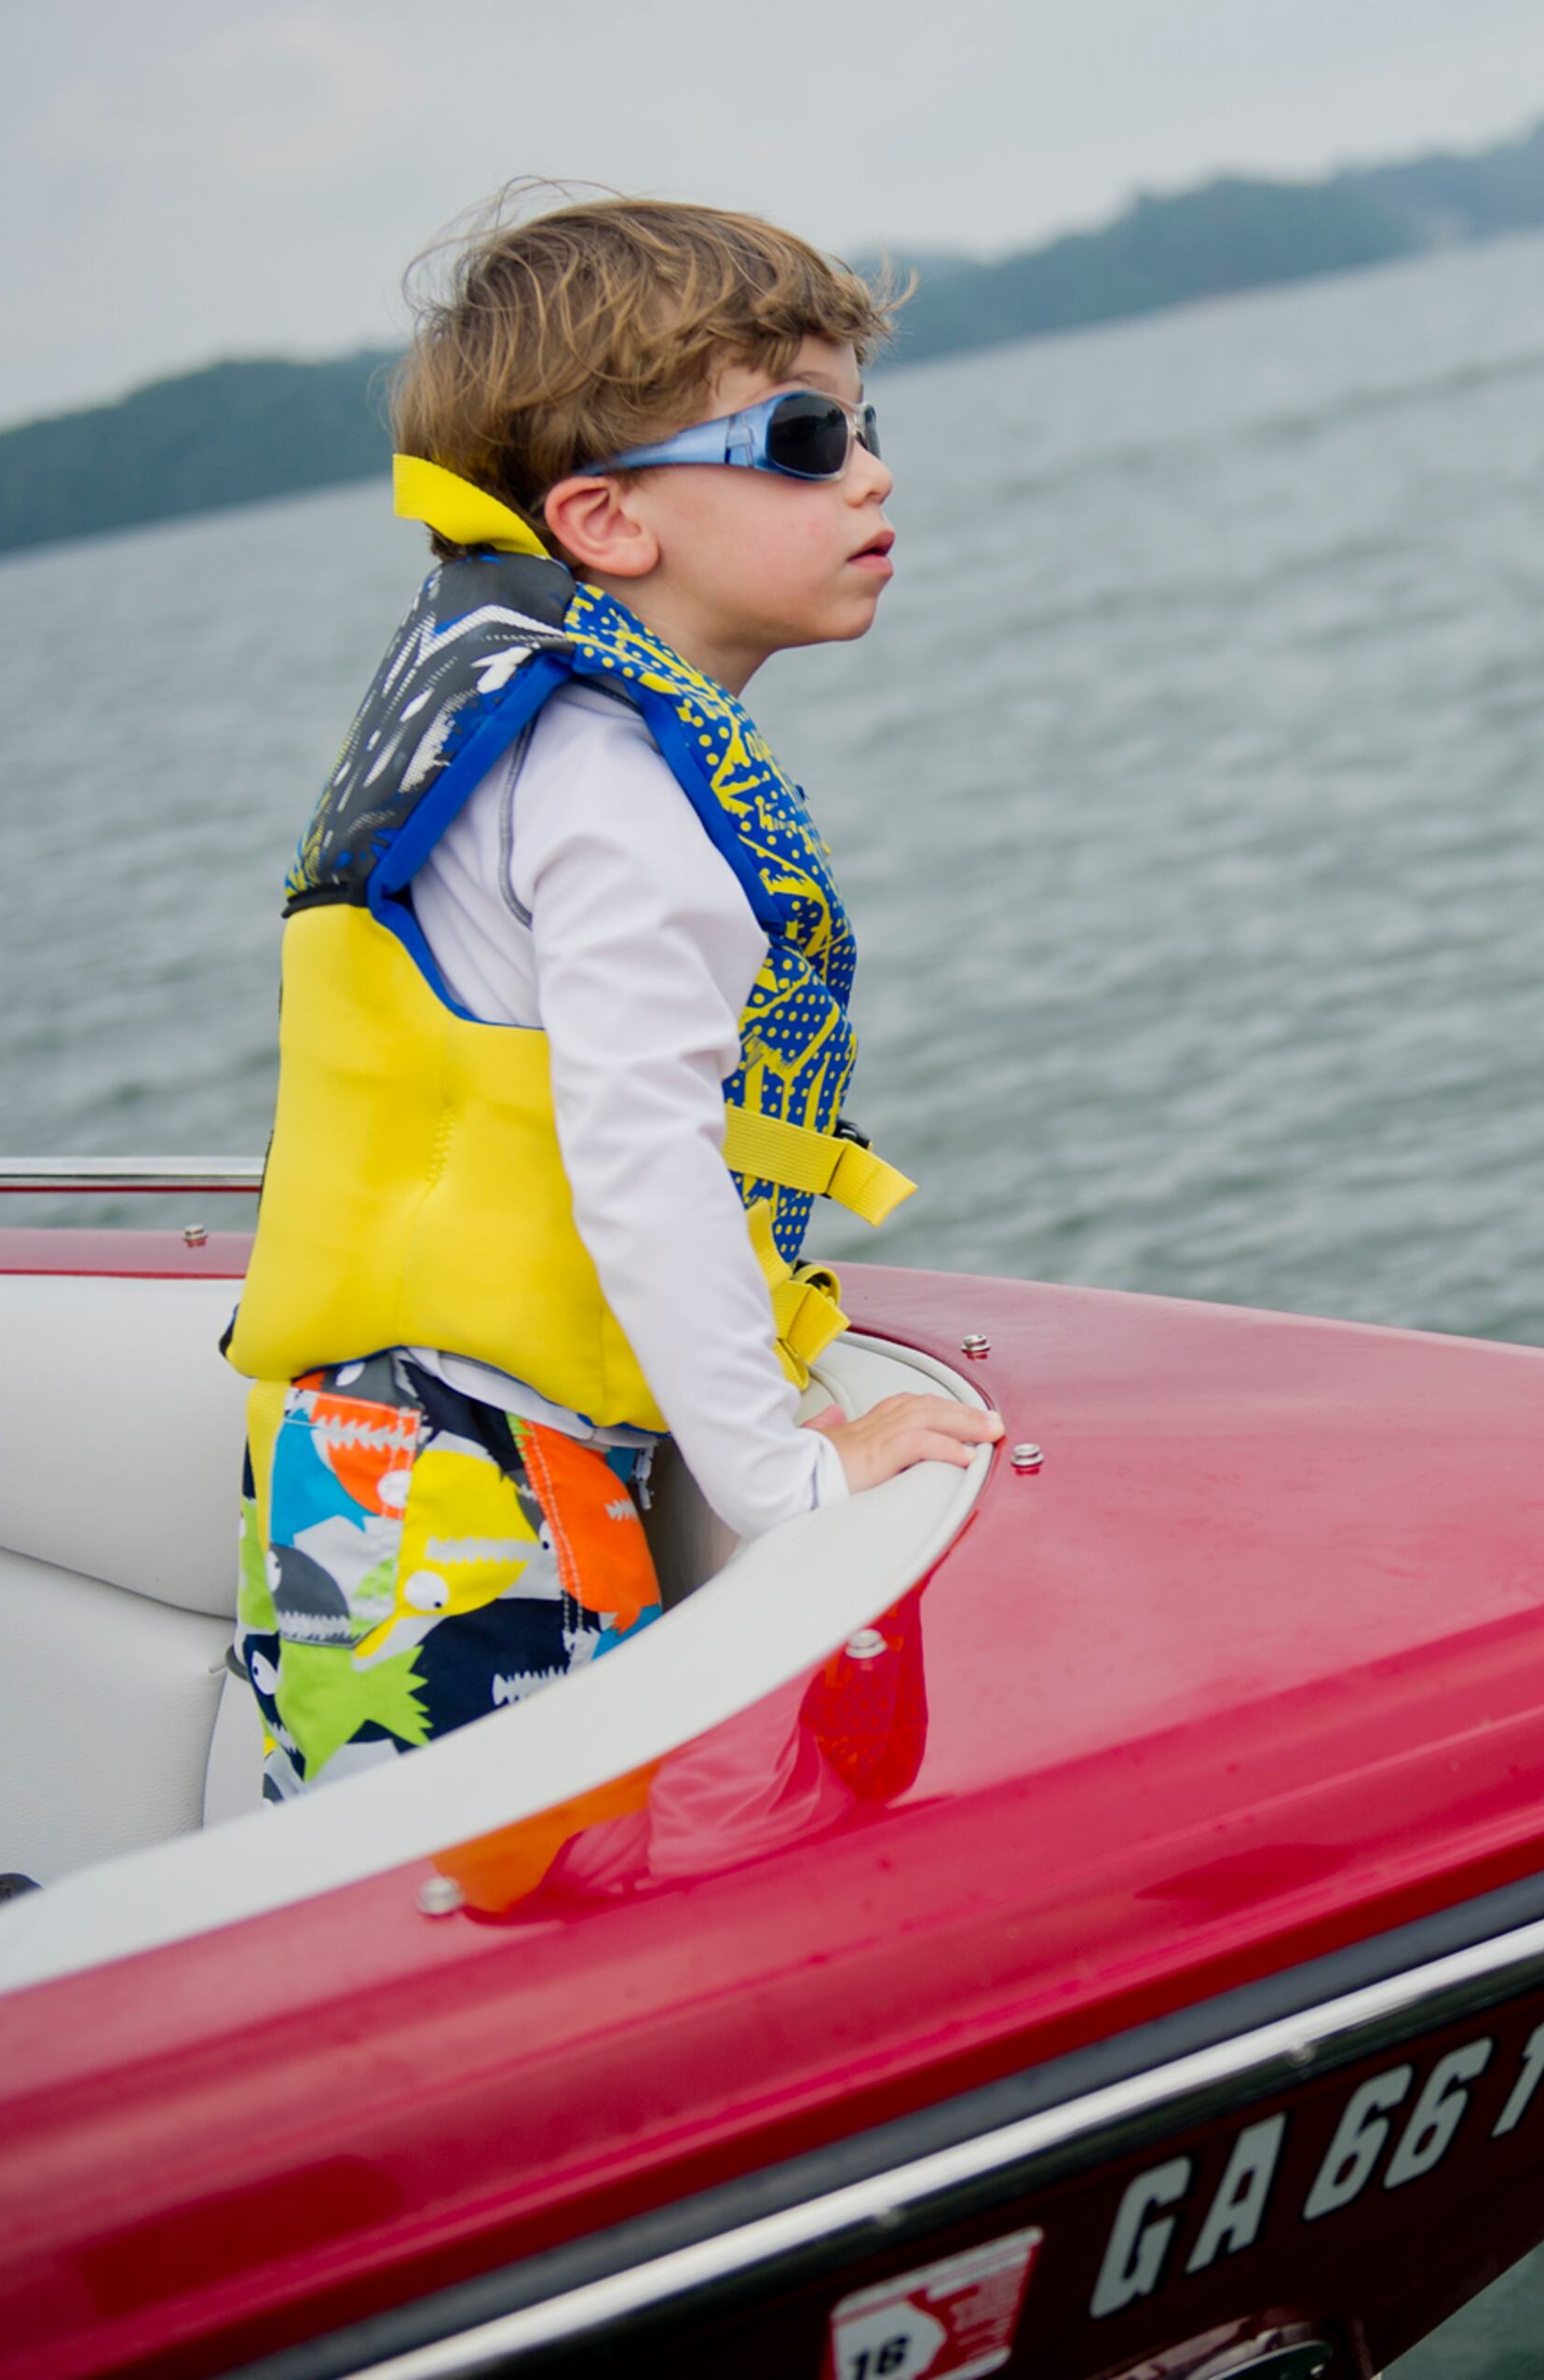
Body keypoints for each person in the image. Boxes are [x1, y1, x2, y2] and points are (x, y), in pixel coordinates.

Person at [222, 195, 1000, 1803]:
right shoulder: (610, 794)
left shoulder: (519, 730)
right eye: (801, 435)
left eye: (867, 423)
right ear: (605, 523)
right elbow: (638, 1155)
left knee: (428, 1906)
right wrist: (791, 1486)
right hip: (486, 1500)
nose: (873, 471)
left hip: (364, 1467)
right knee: (528, 1923)